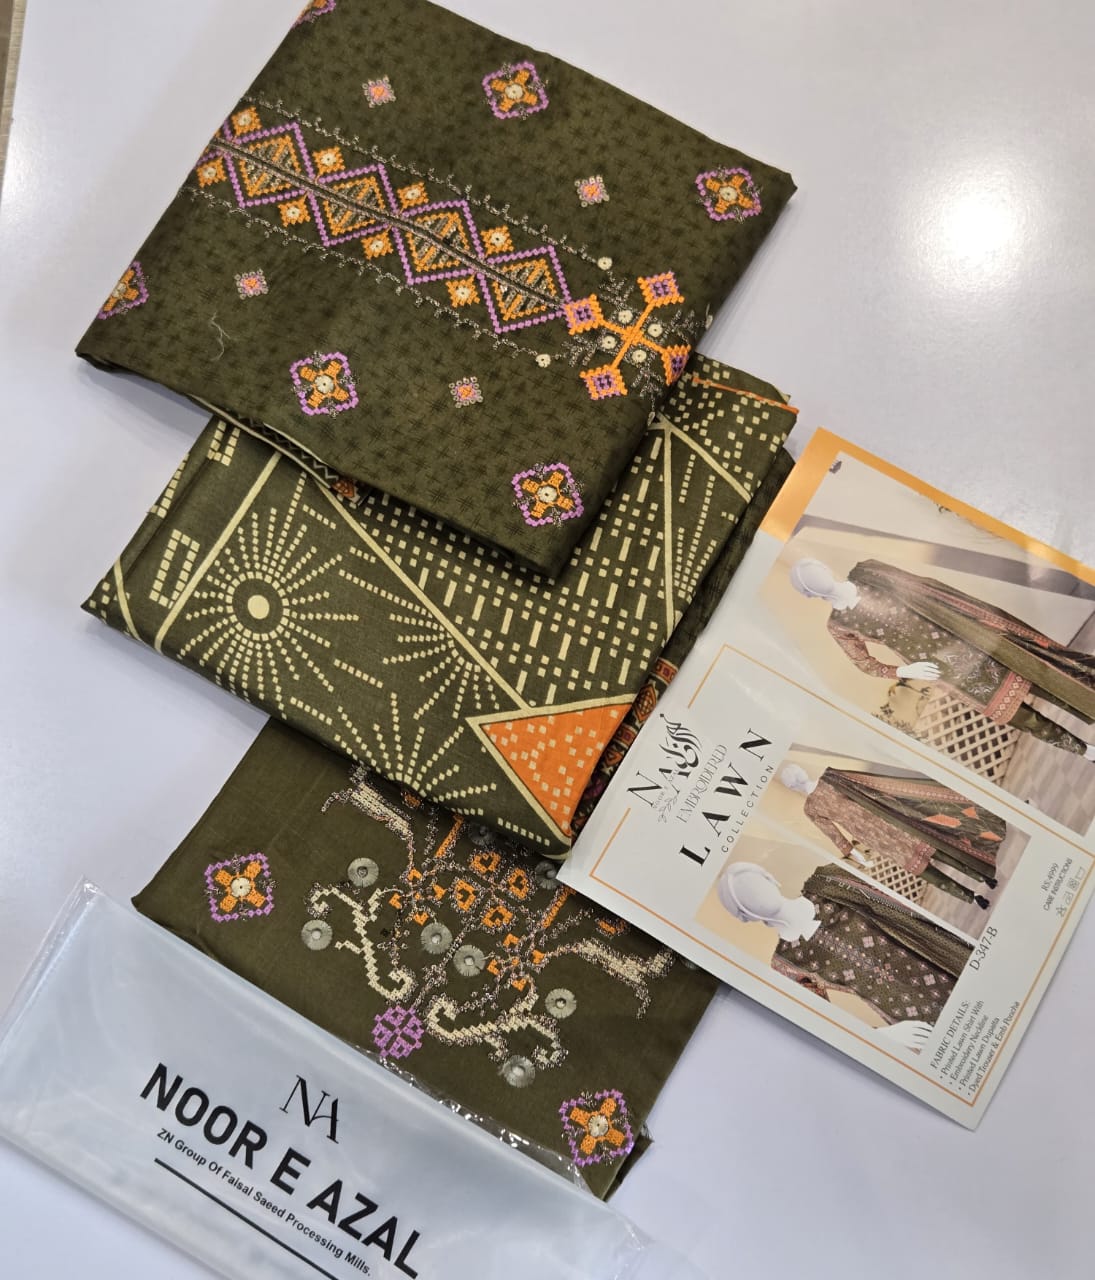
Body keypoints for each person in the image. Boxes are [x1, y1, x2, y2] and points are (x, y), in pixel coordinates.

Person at [790, 558, 1095, 758]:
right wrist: (904, 671)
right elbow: (864, 664)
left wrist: (975, 617)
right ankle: (1085, 751)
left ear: (823, 566)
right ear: (808, 594)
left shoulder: (869, 572)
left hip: (971, 637)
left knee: (1043, 677)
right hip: (947, 669)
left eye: (813, 571)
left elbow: (927, 589)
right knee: (1020, 716)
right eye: (808, 582)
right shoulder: (838, 625)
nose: (816, 579)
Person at [717, 860, 971, 1042]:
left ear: (769, 878)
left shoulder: (829, 881)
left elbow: (903, 911)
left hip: (940, 959)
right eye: (743, 900)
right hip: (912, 1017)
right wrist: (885, 1035)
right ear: (745, 917)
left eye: (752, 883)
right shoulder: (786, 963)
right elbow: (826, 1022)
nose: (754, 896)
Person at [779, 763, 1001, 908]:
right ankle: (977, 888)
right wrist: (855, 854)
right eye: (795, 776)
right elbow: (835, 832)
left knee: (931, 859)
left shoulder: (825, 785)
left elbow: (862, 792)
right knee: (929, 862)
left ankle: (977, 886)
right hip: (878, 829)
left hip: (881, 824)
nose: (797, 780)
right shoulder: (818, 796)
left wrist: (856, 854)